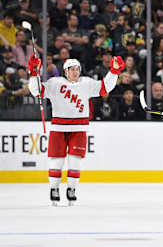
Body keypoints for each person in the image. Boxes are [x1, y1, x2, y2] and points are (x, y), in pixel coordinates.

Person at [27, 54, 125, 206]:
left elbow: (105, 87)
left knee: (75, 162)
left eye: (77, 69)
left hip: (79, 129)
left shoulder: (86, 83)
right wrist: (34, 73)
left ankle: (71, 189)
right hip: (58, 128)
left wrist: (114, 71)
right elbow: (36, 91)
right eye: (71, 69)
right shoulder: (55, 83)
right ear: (65, 71)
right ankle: (54, 189)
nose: (75, 72)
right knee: (57, 162)